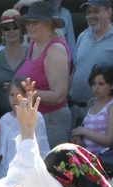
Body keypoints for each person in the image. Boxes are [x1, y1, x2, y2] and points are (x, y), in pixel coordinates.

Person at [18, 0, 73, 151]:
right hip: (36, 119)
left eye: (35, 22)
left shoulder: (55, 49)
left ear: (49, 24)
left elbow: (59, 95)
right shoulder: (34, 44)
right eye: (28, 22)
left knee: (51, 170)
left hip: (52, 121)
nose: (29, 26)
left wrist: (26, 92)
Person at [69, 0, 113, 129]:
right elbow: (75, 70)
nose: (90, 16)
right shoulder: (82, 36)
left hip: (101, 112)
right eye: (88, 12)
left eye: (95, 11)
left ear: (109, 12)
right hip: (74, 108)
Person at [71, 64, 113, 158]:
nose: (96, 88)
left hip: (103, 159)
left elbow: (109, 139)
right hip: (86, 158)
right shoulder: (92, 102)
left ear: (112, 85)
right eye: (94, 84)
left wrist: (84, 131)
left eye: (101, 84)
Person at [0, 10, 28, 119]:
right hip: (1, 118)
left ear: (21, 30)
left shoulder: (32, 55)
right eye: (6, 28)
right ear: (2, 33)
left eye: (15, 27)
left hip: (29, 115)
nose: (11, 31)